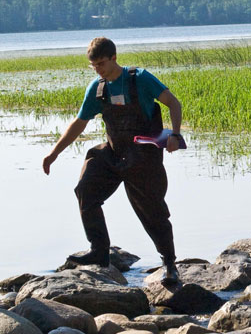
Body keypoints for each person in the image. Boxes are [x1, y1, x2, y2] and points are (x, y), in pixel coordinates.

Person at [42, 37, 182, 285]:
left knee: (153, 212)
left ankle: (169, 264)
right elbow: (79, 123)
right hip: (114, 153)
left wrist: (175, 135)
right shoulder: (97, 88)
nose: (98, 69)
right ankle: (99, 251)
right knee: (85, 188)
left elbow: (174, 103)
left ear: (114, 58)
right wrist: (54, 153)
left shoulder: (140, 79)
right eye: (93, 65)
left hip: (143, 158)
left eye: (101, 63)